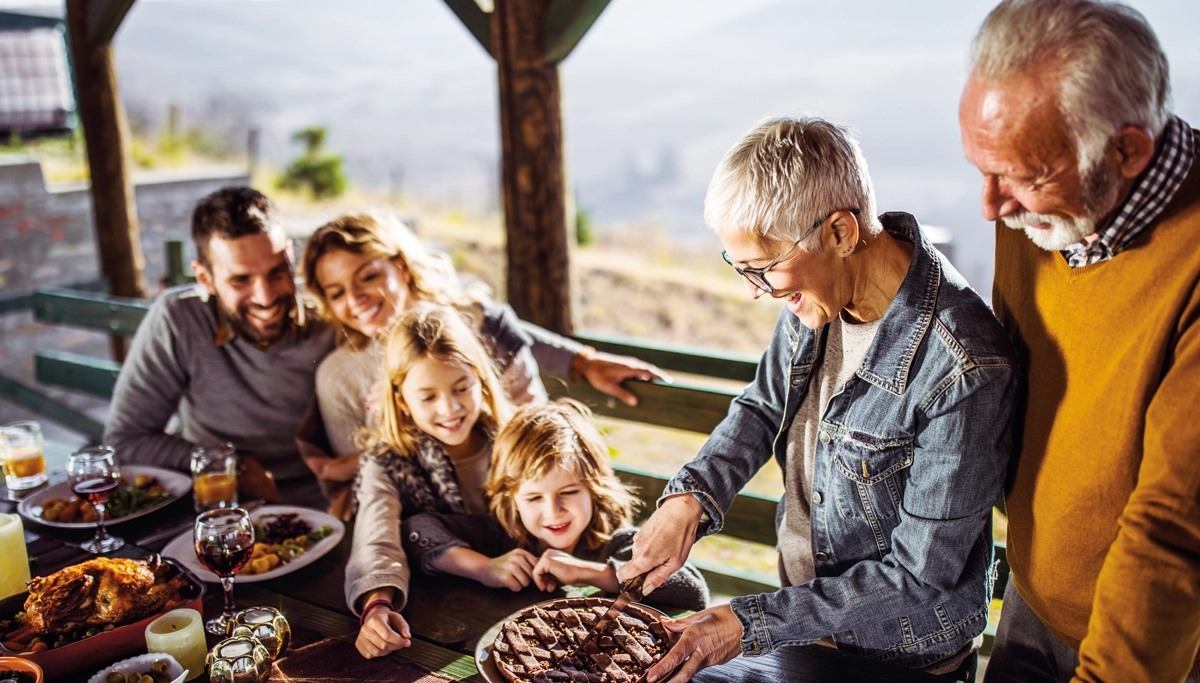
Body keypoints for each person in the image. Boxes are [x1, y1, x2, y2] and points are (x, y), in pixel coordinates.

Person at [617, 117, 1017, 682]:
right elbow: (762, 408)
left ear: (840, 233)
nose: (756, 292)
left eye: (764, 268)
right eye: (741, 267)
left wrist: (748, 622)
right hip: (805, 634)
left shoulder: (964, 366)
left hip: (902, 663)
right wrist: (689, 501)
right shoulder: (818, 295)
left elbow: (922, 576)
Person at [958, 2, 1200, 681]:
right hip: (1031, 601)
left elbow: (1173, 532)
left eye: (1024, 179)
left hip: (1160, 647)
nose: (991, 207)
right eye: (982, 168)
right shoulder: (1033, 211)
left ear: (1128, 150)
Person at [298, 212, 671, 517]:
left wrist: (582, 361)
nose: (356, 298)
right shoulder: (338, 375)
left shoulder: (477, 323)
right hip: (425, 531)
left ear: (401, 267)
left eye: (368, 276)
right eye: (337, 292)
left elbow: (532, 416)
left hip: (524, 507)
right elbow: (360, 475)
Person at [105, 187, 334, 503]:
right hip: (220, 506)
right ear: (205, 278)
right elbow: (126, 442)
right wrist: (234, 465)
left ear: (290, 256)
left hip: (327, 503)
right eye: (241, 280)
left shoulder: (333, 312)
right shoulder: (178, 319)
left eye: (277, 272)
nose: (265, 297)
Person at [401, 400, 708, 612]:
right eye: (534, 498)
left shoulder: (616, 543)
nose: (553, 511)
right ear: (512, 499)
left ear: (593, 488)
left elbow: (692, 590)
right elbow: (418, 530)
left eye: (569, 492)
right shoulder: (501, 536)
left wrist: (593, 573)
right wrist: (484, 568)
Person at [347, 303, 514, 659]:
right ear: (402, 401)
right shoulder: (388, 463)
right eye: (428, 396)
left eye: (461, 388)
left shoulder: (514, 440)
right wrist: (376, 606)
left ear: (481, 381)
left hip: (523, 598)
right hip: (442, 621)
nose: (449, 409)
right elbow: (376, 540)